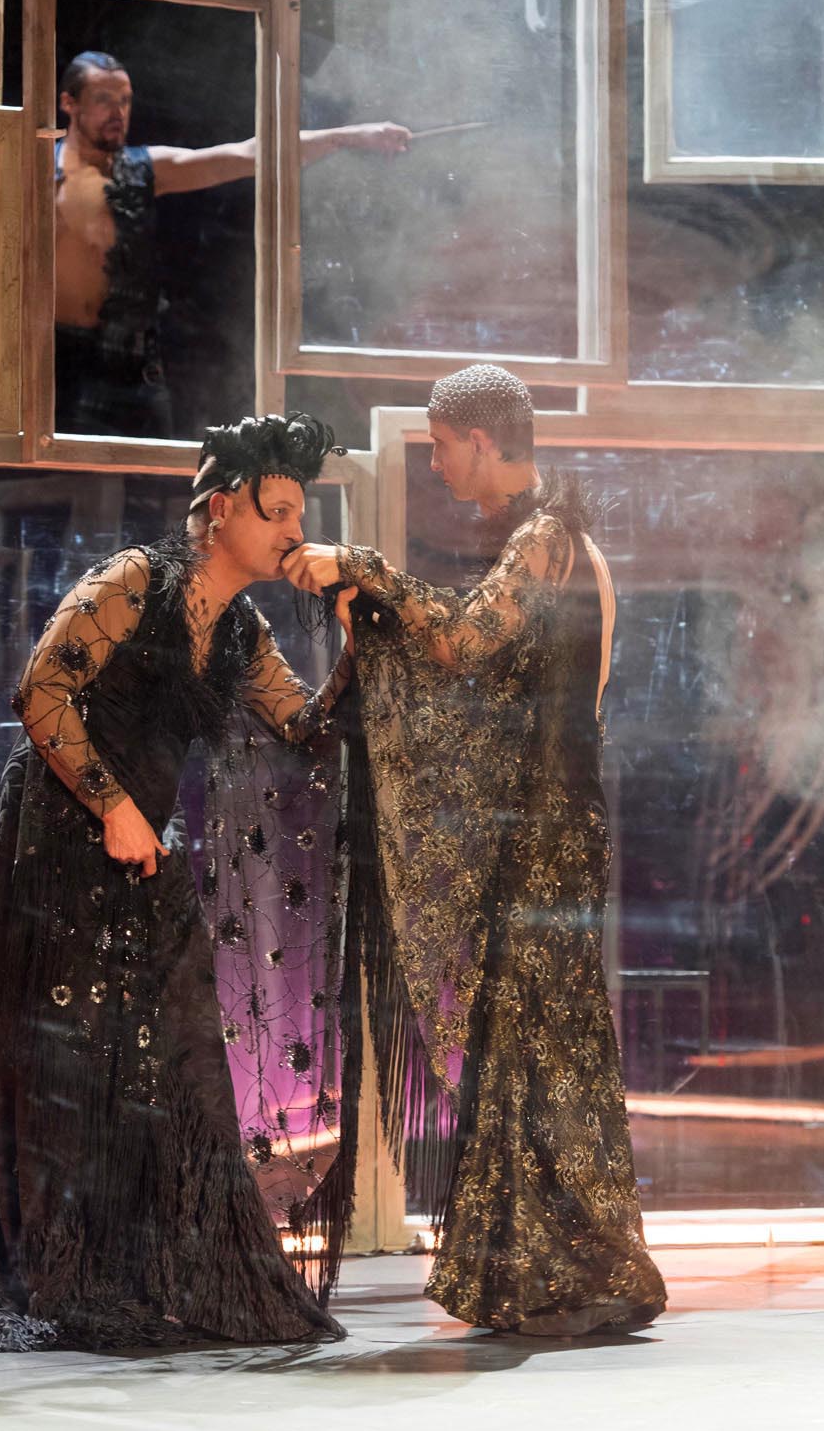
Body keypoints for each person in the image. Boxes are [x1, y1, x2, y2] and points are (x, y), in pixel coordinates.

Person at [0, 411, 358, 1353]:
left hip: (144, 849)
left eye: (300, 513)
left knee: (177, 1057)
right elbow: (39, 692)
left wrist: (354, 635)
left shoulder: (243, 629)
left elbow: (309, 729)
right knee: (68, 1063)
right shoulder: (132, 581)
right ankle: (62, 1282)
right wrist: (113, 807)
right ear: (222, 510)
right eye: (279, 511)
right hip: (59, 837)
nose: (295, 530)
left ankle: (165, 1276)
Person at [283, 364, 667, 1338]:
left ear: (483, 442)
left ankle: (577, 1271)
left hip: (549, 836)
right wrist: (377, 625)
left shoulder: (546, 538)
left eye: (442, 445)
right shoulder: (556, 540)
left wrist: (364, 569)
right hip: (552, 827)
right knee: (537, 1052)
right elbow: (495, 677)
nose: (437, 463)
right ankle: (557, 1270)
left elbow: (460, 643)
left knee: (541, 1052)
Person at [0, 51, 410, 436]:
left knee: (139, 485)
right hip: (48, 356)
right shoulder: (33, 168)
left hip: (127, 360)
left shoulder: (146, 169)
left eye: (124, 100)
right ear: (69, 103)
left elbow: (248, 154)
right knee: (40, 478)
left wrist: (350, 135)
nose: (118, 111)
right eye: (104, 99)